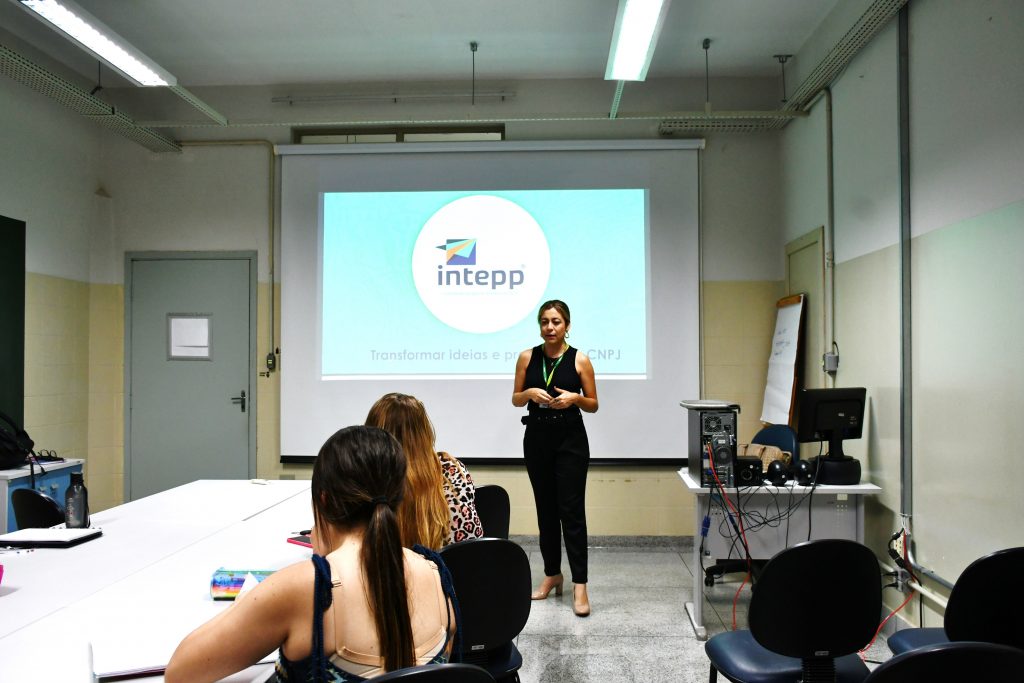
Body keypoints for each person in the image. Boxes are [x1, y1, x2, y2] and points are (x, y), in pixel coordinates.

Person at [165, 426, 458, 683]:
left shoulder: (309, 587)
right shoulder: (437, 576)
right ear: (399, 498)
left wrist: (251, 603)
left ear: (323, 500)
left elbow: (181, 672)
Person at [511, 299, 598, 617]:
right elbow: (515, 399)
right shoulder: (527, 357)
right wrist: (528, 394)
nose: (550, 327)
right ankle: (552, 574)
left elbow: (593, 404)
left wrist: (576, 398)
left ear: (567, 326)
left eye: (556, 322)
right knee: (545, 511)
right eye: (545, 322)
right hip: (537, 439)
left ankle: (580, 584)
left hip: (571, 441)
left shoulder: (580, 360)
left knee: (571, 513)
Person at [366, 393, 484, 549]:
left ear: (371, 436)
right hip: (451, 564)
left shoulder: (363, 479)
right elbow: (471, 543)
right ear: (424, 431)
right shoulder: (453, 470)